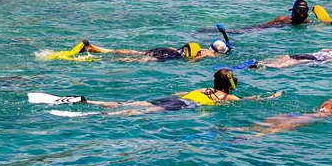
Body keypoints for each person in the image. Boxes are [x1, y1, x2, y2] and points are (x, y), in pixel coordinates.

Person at [57, 68, 282, 116]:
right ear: (229, 85)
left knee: (140, 103)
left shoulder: (204, 88)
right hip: (185, 105)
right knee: (141, 112)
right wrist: (271, 97)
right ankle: (102, 115)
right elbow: (248, 100)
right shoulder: (227, 96)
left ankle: (92, 102)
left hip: (180, 98)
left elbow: (182, 92)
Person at [77, 24, 233, 62]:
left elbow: (177, 49)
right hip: (170, 56)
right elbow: (194, 60)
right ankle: (98, 58)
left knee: (137, 53)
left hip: (167, 49)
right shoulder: (208, 54)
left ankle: (97, 49)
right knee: (136, 61)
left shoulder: (199, 46)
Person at [252, 24, 332, 68]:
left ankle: (262, 62)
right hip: (317, 58)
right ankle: (267, 65)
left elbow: (323, 49)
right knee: (290, 63)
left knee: (289, 57)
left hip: (314, 54)